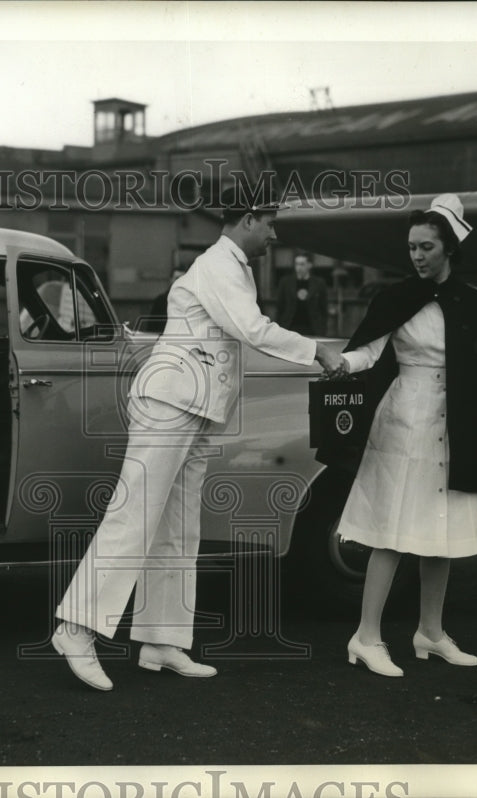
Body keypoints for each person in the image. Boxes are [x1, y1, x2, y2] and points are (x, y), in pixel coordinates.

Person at [52, 186, 341, 691]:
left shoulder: (234, 266)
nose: (275, 234)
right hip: (169, 403)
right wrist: (318, 351)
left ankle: (162, 641)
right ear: (249, 219)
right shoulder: (219, 266)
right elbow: (252, 329)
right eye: (270, 223)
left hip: (198, 409)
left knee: (179, 525)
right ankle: (75, 629)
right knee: (134, 514)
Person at [319, 194, 477, 678]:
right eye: (412, 247)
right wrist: (338, 362)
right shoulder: (394, 298)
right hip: (403, 421)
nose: (416, 256)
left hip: (454, 422)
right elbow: (368, 352)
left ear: (449, 248)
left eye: (426, 247)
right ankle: (366, 636)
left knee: (443, 532)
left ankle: (430, 633)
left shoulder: (472, 304)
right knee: (392, 531)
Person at [275, 253, 329, 336]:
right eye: (296, 264)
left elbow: (323, 309)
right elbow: (280, 308)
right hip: (290, 327)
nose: (299, 267)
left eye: (302, 264)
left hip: (312, 328)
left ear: (309, 265)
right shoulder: (285, 282)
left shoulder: (319, 283)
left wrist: (322, 329)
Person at [142, 266, 189, 334]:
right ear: (171, 279)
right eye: (176, 278)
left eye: (182, 278)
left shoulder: (189, 300)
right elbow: (152, 327)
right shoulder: (161, 301)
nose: (179, 281)